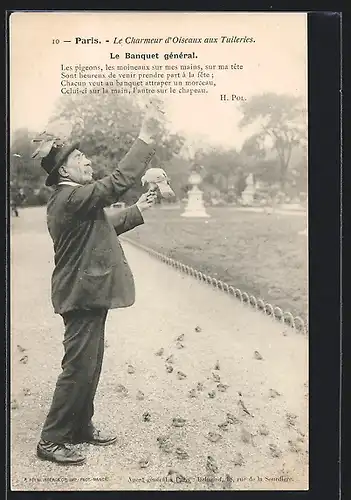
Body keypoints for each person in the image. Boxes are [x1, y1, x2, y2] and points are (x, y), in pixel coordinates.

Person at [35, 105, 161, 465]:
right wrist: (146, 137)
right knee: (77, 367)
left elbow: (105, 223)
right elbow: (116, 183)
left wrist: (139, 208)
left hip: (89, 293)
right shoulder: (70, 197)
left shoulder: (76, 200)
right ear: (63, 170)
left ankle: (79, 427)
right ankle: (51, 439)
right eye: (80, 158)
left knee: (90, 364)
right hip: (81, 295)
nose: (88, 161)